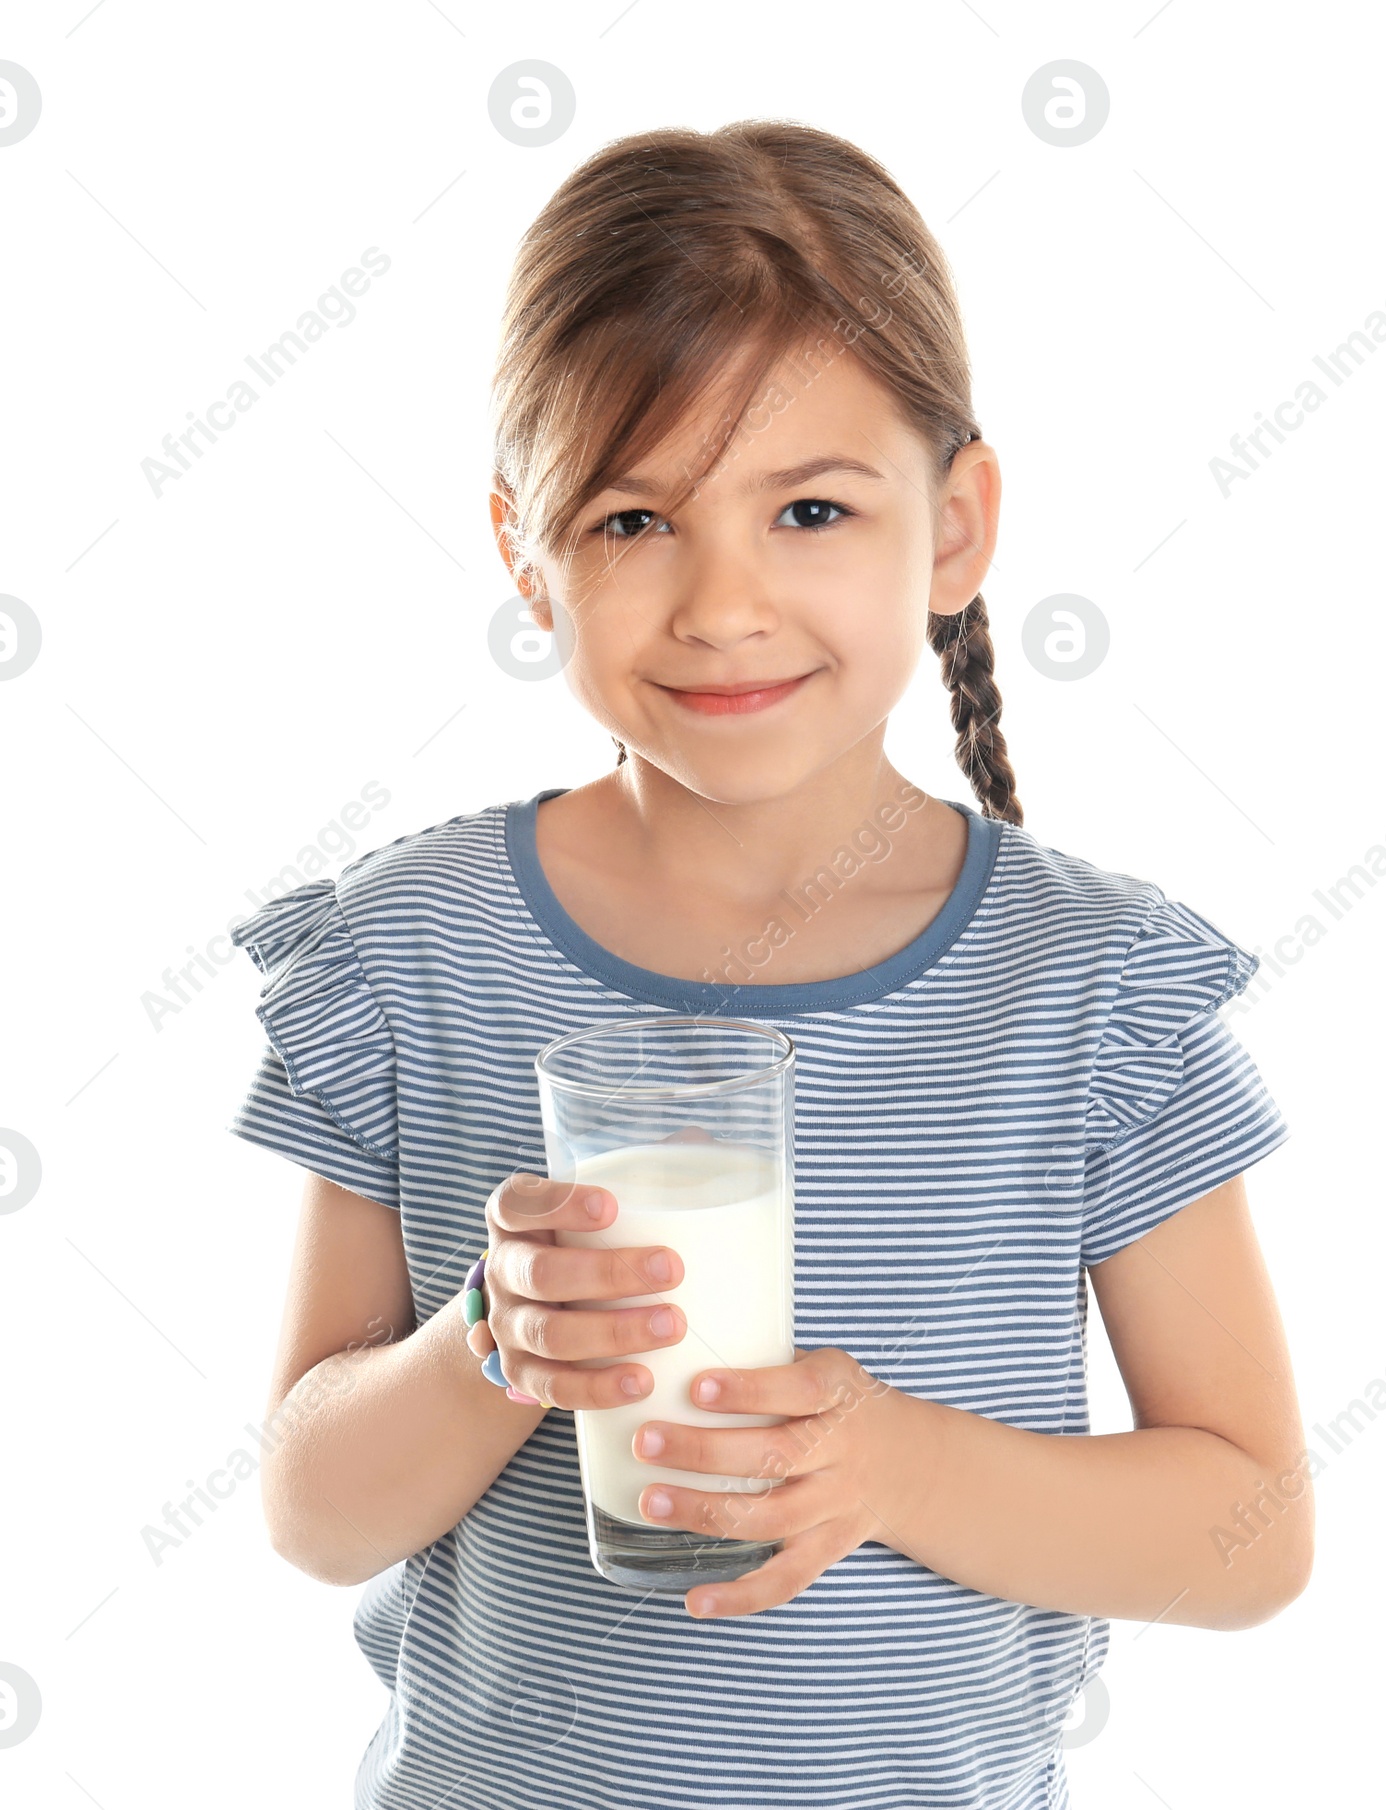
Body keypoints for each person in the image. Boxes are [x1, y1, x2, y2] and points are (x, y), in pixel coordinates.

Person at [226, 118, 1312, 1810]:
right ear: (529, 553)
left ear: (954, 527)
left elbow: (1249, 1532)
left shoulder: (1089, 993)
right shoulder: (411, 957)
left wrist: (897, 1466)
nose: (723, 606)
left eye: (810, 507)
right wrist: (490, 1345)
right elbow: (314, 1509)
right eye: (636, 518)